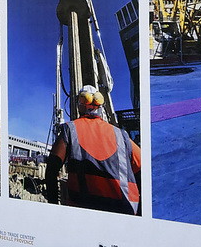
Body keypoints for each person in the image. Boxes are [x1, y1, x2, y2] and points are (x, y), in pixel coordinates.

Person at [45, 84, 141, 214]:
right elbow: (142, 168)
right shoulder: (121, 135)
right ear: (100, 106)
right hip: (125, 209)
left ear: (80, 105)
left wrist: (53, 207)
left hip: (84, 209)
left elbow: (51, 169)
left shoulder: (70, 129)